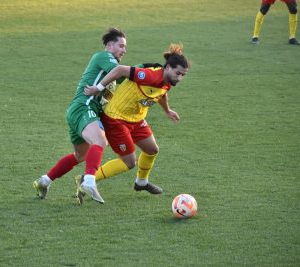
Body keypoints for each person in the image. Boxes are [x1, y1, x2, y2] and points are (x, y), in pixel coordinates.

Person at [76, 43, 189, 204]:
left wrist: (167, 110)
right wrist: (98, 88)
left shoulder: (168, 80)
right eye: (178, 73)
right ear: (168, 67)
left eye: (183, 75)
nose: (180, 78)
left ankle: (141, 183)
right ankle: (86, 179)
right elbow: (120, 70)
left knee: (152, 150)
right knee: (129, 162)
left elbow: (162, 93)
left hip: (136, 118)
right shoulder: (150, 75)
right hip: (116, 118)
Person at [33, 27, 127, 204]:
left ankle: (44, 181)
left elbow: (125, 77)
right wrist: (148, 70)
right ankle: (89, 181)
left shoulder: (113, 70)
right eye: (121, 46)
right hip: (83, 108)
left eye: (125, 47)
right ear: (109, 45)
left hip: (78, 111)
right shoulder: (104, 56)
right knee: (99, 142)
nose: (123, 50)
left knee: (80, 156)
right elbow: (123, 72)